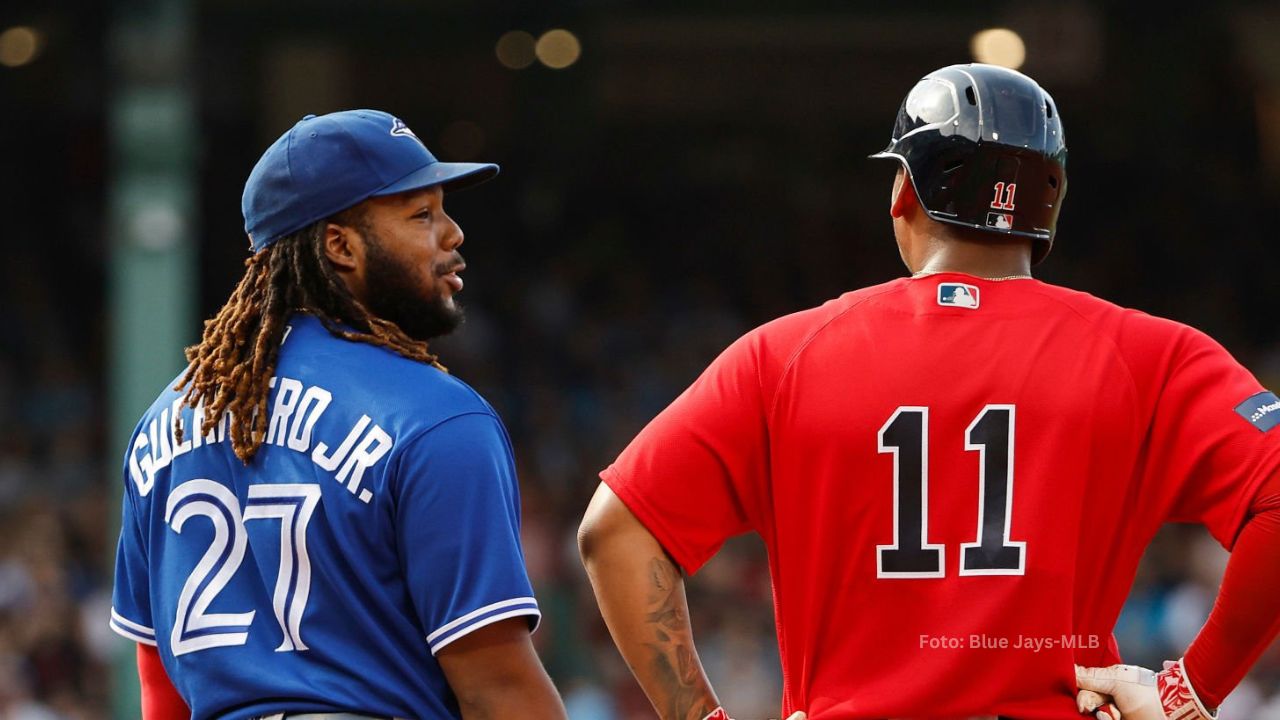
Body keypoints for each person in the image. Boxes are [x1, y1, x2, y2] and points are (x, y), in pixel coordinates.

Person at [578, 64, 1280, 720]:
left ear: (902, 192)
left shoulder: (784, 354)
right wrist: (1193, 688)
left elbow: (613, 530)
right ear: (1050, 205)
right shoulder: (1148, 354)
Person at [109, 109, 567, 720]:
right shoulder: (435, 417)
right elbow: (498, 690)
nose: (453, 233)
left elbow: (161, 688)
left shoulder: (166, 421)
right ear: (340, 246)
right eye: (421, 214)